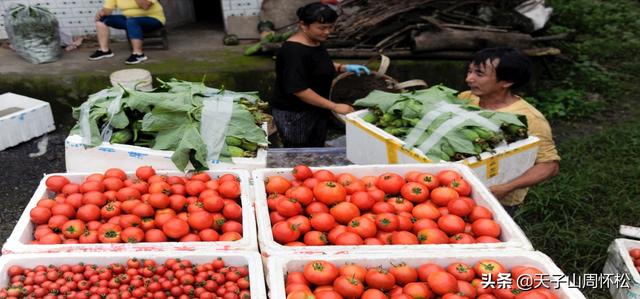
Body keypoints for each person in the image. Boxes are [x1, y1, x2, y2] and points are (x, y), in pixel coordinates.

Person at [458, 47, 560, 215]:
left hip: (496, 198)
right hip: (456, 186)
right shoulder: (466, 98)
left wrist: (506, 188)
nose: (469, 79)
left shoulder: (528, 119)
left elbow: (549, 166)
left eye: (479, 74)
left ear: (506, 82)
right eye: (469, 71)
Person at [271, 2, 370, 147]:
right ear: (303, 25)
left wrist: (343, 67)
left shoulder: (315, 42)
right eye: (322, 28)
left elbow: (315, 65)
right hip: (294, 114)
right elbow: (299, 89)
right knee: (298, 152)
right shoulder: (292, 52)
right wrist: (334, 106)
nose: (327, 32)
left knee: (316, 148)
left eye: (331, 27)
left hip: (316, 108)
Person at [89, 0, 166, 64]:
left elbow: (145, 6)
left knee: (132, 21)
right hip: (130, 20)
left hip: (153, 19)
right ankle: (104, 50)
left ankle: (138, 54)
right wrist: (101, 13)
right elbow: (108, 11)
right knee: (102, 20)